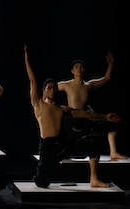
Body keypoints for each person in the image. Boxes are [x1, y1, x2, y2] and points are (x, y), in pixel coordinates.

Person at [26, 45, 118, 188]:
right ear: (44, 91)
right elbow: (33, 81)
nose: (53, 90)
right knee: (42, 183)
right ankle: (46, 170)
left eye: (55, 88)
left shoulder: (63, 109)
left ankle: (94, 179)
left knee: (94, 147)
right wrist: (26, 59)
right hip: (48, 147)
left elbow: (87, 114)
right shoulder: (39, 105)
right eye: (49, 88)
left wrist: (106, 117)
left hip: (63, 144)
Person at [57, 52, 124, 160]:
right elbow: (49, 88)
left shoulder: (88, 85)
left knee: (113, 124)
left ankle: (113, 152)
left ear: (85, 70)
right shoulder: (67, 85)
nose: (79, 69)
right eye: (77, 67)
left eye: (81, 67)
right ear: (72, 71)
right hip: (72, 121)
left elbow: (106, 79)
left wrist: (110, 64)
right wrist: (46, 102)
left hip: (86, 119)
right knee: (65, 146)